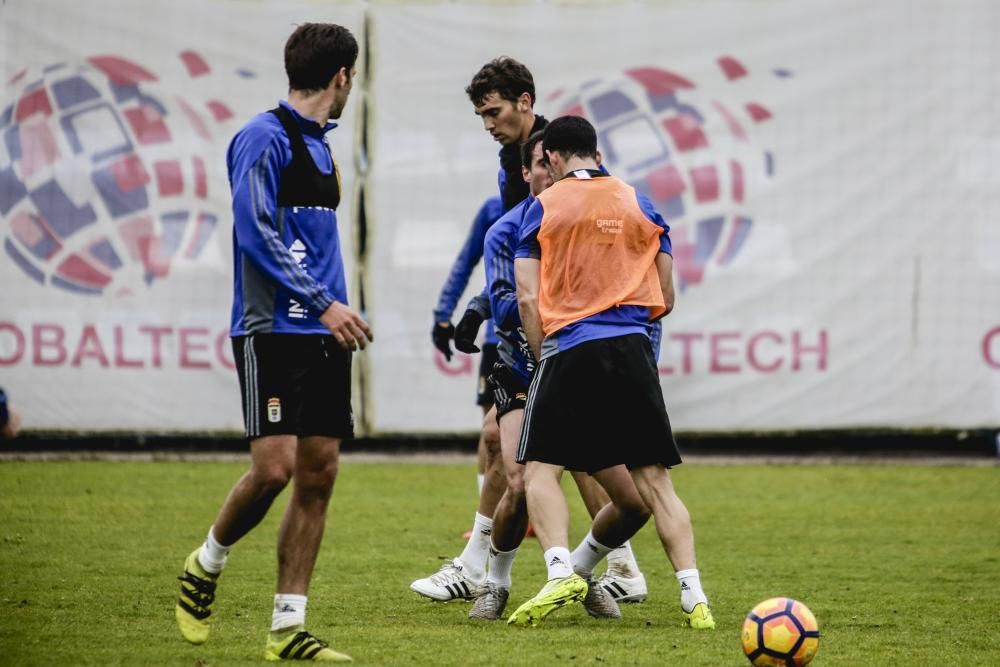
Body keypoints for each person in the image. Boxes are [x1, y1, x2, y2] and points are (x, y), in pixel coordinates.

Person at [174, 23, 371, 662]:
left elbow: (308, 240)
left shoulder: (323, 146)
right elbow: (255, 234)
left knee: (318, 473)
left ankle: (287, 628)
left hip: (324, 333)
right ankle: (206, 563)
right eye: (352, 78)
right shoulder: (262, 137)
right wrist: (324, 301)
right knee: (274, 469)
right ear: (343, 75)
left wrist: (333, 311)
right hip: (273, 331)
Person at [506, 116, 715, 630]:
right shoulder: (638, 202)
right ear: (596, 154)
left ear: (552, 158)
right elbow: (666, 294)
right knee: (655, 484)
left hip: (570, 347)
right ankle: (695, 597)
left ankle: (560, 572)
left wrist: (541, 356)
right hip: (631, 348)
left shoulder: (542, 206)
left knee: (539, 471)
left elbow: (528, 297)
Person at [468, 131, 644, 621]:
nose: (553, 174)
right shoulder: (506, 230)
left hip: (575, 368)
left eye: (555, 165)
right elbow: (508, 306)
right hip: (522, 366)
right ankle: (497, 583)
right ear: (528, 171)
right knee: (522, 478)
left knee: (630, 497)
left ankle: (582, 571)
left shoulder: (585, 221)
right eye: (542, 166)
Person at [431, 195, 505, 538]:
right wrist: (443, 314)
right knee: (493, 428)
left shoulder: (563, 201)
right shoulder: (494, 208)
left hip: (548, 334)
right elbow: (466, 261)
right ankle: (488, 520)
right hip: (498, 337)